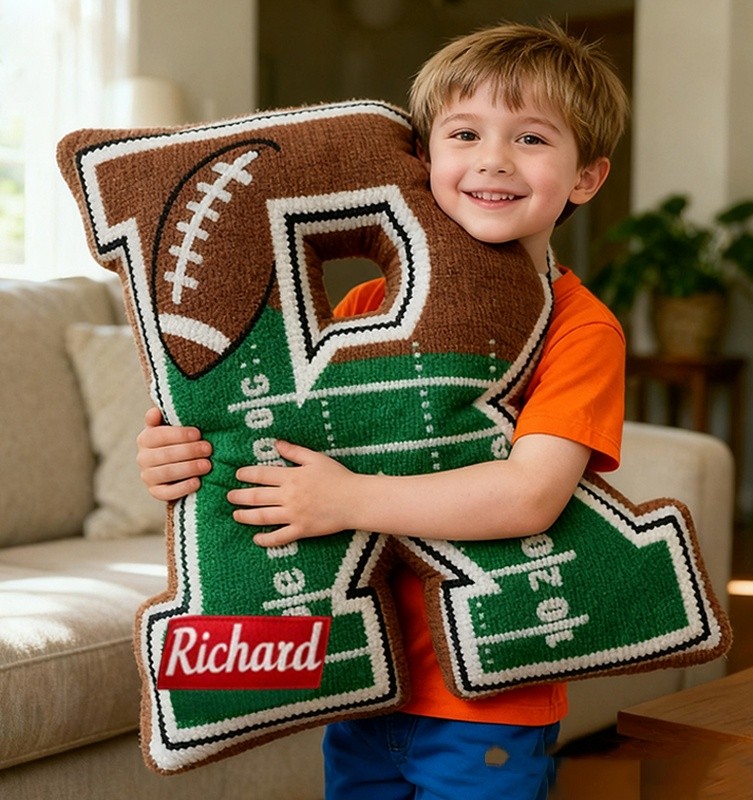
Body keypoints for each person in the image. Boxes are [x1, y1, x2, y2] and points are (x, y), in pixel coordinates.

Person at [137, 20, 629, 800]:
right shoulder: (371, 303)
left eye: (532, 139)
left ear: (585, 178)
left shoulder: (581, 328)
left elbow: (531, 495)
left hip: (491, 695)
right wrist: (179, 457)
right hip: (364, 675)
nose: (494, 159)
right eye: (465, 133)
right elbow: (276, 440)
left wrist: (346, 497)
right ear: (425, 159)